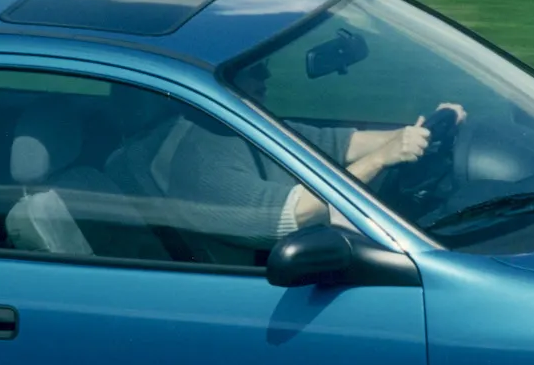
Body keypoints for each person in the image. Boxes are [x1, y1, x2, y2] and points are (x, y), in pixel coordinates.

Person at [159, 61, 464, 256]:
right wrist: (380, 159)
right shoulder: (203, 166)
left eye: (263, 65)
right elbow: (296, 214)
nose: (267, 75)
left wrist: (423, 132)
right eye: (253, 70)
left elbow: (341, 144)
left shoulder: (234, 124)